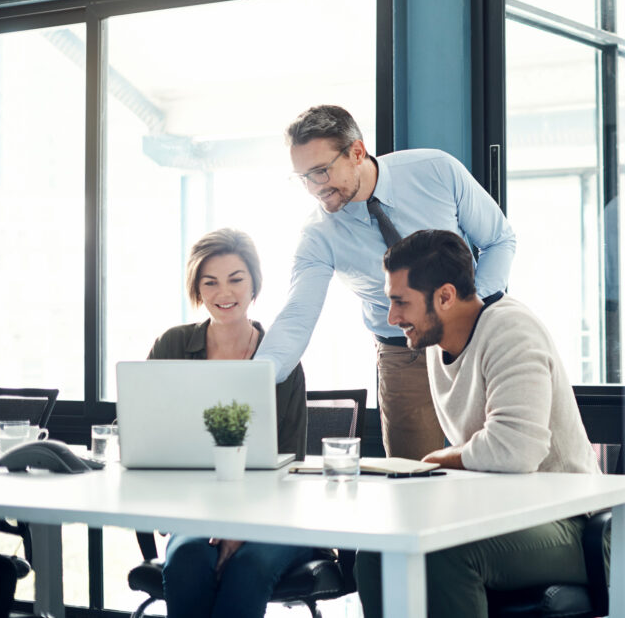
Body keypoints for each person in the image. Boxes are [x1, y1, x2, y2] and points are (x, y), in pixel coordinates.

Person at [354, 229, 600, 617]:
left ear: (445, 296)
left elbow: (515, 450)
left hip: (565, 522)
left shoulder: (510, 330)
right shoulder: (437, 346)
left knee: (443, 552)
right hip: (502, 512)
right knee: (377, 548)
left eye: (401, 302)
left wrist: (439, 459)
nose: (392, 318)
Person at [256, 105, 515, 460]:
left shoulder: (435, 170)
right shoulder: (317, 234)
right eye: (302, 178)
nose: (313, 188)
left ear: (357, 152)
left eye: (320, 172)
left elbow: (499, 240)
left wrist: (473, 316)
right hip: (403, 355)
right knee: (412, 480)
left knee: (495, 462)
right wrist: (255, 379)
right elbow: (298, 315)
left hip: (476, 340)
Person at [147, 228, 321, 618]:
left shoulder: (280, 358)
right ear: (198, 289)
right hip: (197, 511)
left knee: (247, 568)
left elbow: (290, 461)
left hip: (274, 516)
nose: (224, 293)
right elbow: (142, 429)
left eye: (236, 279)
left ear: (254, 283)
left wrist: (240, 528)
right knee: (187, 561)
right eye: (211, 282)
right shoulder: (172, 346)